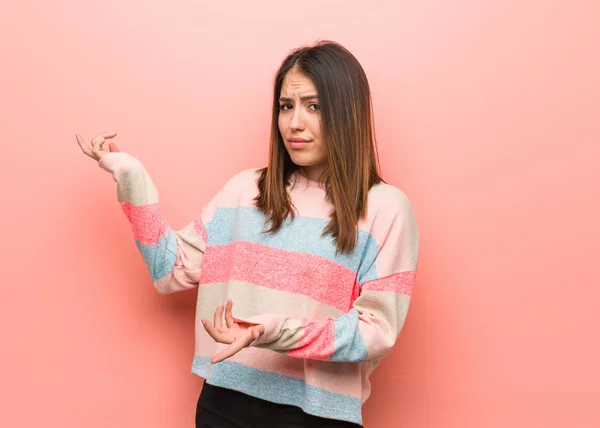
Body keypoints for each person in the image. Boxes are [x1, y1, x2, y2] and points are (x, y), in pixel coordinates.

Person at [76, 40, 419, 428]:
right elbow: (168, 270)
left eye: (314, 106)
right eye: (286, 106)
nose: (294, 123)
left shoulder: (385, 208)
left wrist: (267, 331)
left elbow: (377, 331)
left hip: (316, 412)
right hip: (223, 403)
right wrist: (131, 177)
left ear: (348, 113)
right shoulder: (244, 192)